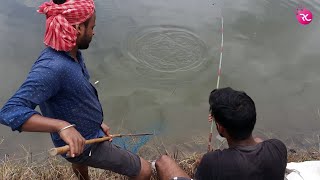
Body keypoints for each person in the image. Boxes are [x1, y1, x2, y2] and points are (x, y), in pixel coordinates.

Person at [0, 0, 151, 179]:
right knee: (144, 170)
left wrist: (96, 123)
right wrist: (63, 126)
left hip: (79, 141)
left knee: (78, 162)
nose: (94, 32)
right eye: (92, 27)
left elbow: (75, 96)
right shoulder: (52, 68)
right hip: (86, 145)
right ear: (78, 28)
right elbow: (10, 111)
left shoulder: (72, 54)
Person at [155, 87, 287, 180]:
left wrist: (207, 160)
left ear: (221, 128)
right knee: (258, 140)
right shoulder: (278, 148)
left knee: (163, 162)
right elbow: (257, 142)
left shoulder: (213, 162)